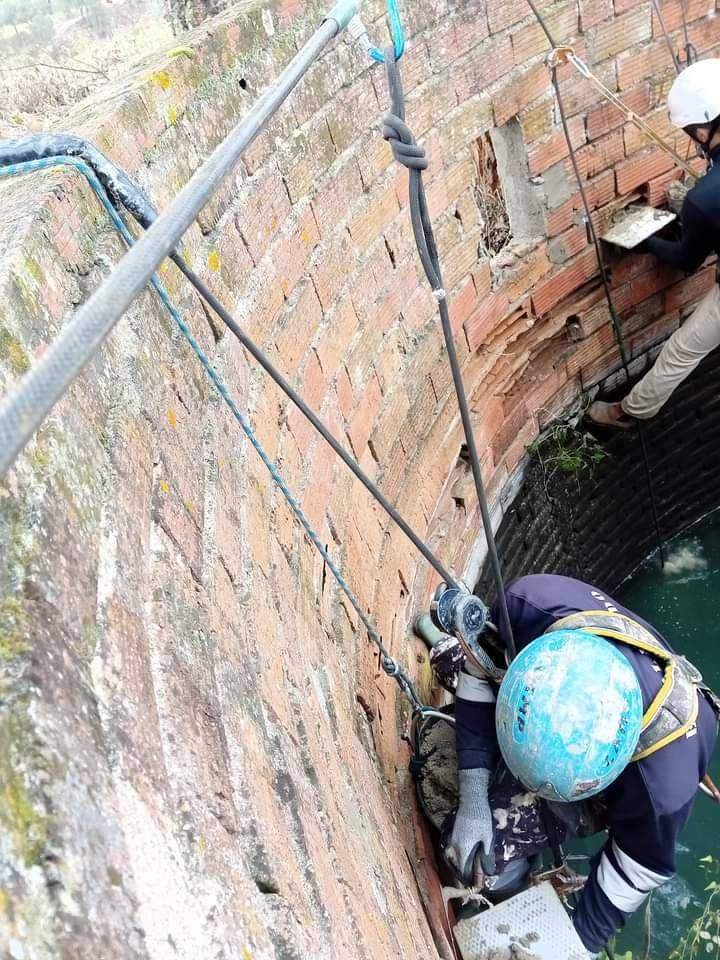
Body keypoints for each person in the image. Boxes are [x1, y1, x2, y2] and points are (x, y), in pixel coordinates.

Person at [442, 574, 719, 956]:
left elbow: (634, 871)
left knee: (483, 865)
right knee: (451, 656)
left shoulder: (660, 794)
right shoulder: (531, 605)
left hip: (653, 752)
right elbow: (478, 668)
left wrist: (570, 948)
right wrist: (473, 796)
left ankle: (518, 877)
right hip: (545, 670)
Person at [589, 58, 720, 429]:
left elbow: (686, 260)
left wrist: (649, 242)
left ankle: (629, 412)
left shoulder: (706, 199)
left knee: (682, 349)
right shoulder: (705, 199)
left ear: (703, 129)